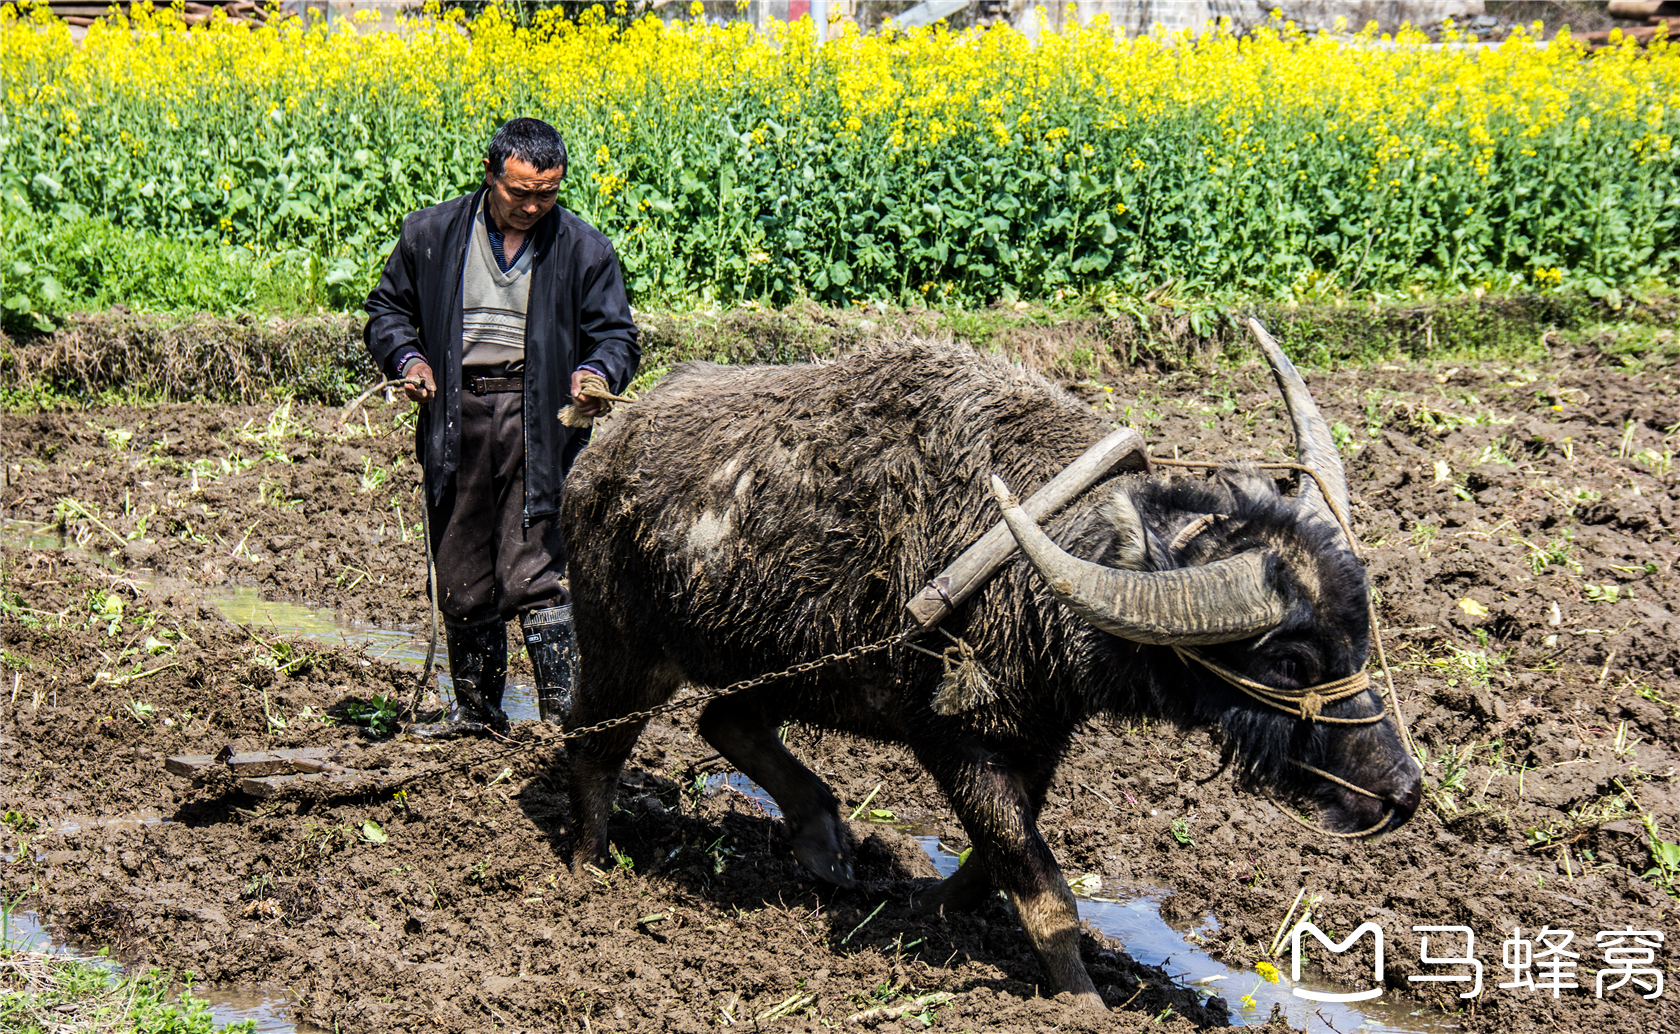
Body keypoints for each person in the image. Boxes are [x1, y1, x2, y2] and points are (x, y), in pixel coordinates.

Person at [364, 117, 640, 738]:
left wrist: (595, 372)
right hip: (456, 413)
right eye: (519, 193)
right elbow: (388, 311)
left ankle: (566, 723)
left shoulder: (583, 248)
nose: (532, 206)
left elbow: (616, 335)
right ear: (490, 176)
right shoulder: (430, 234)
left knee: (537, 567)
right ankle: (477, 715)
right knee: (462, 565)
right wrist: (408, 358)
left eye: (547, 194)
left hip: (540, 419)